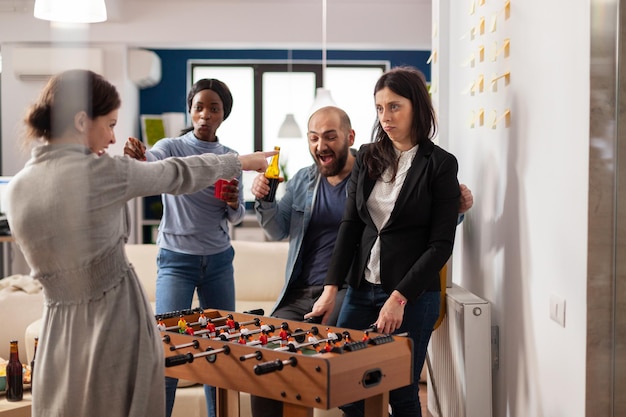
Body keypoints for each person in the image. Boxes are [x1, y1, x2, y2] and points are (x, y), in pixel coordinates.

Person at [3, 69, 274, 417]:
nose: (114, 138)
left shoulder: (18, 188)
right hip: (116, 321)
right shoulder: (104, 172)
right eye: (111, 124)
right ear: (83, 121)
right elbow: (174, 172)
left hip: (59, 330)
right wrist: (238, 162)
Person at [250, 105, 473, 417]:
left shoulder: (372, 170)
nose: (320, 146)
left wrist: (457, 210)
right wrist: (264, 199)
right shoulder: (302, 180)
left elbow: (415, 222)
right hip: (300, 291)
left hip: (347, 287)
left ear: (349, 137)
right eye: (313, 138)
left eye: (330, 137)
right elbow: (276, 229)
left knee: (361, 380)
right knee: (265, 357)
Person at [307, 66, 461, 417]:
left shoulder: (440, 165)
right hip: (362, 290)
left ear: (416, 107)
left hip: (412, 296)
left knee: (402, 392)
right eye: (379, 108)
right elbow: (350, 225)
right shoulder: (366, 156)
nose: (386, 117)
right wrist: (331, 288)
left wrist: (399, 298)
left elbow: (440, 245)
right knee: (343, 386)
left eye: (395, 107)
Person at [124, 78, 245, 417]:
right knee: (168, 351)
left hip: (219, 262)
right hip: (176, 261)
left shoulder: (231, 158)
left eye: (214, 108)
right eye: (199, 107)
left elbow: (236, 217)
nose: (205, 114)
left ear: (224, 114)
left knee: (221, 354)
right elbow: (152, 163)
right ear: (190, 111)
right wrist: (139, 156)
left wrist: (235, 202)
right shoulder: (173, 147)